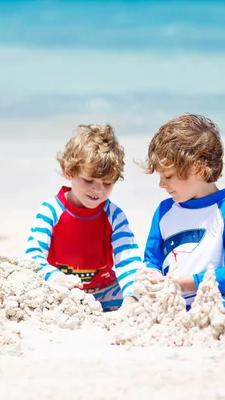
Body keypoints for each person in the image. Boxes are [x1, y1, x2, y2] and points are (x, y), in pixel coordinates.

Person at [140, 113, 225, 310]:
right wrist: (152, 275)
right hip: (170, 304)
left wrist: (185, 282)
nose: (161, 184)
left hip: (216, 304)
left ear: (198, 169)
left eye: (168, 176)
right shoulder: (164, 211)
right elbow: (152, 260)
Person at [25, 124, 141, 311]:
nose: (98, 189)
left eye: (107, 183)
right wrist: (55, 277)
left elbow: (128, 259)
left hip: (105, 290)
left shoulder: (114, 215)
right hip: (62, 289)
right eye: (88, 180)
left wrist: (130, 296)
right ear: (68, 171)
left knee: (140, 299)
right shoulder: (51, 210)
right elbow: (32, 256)